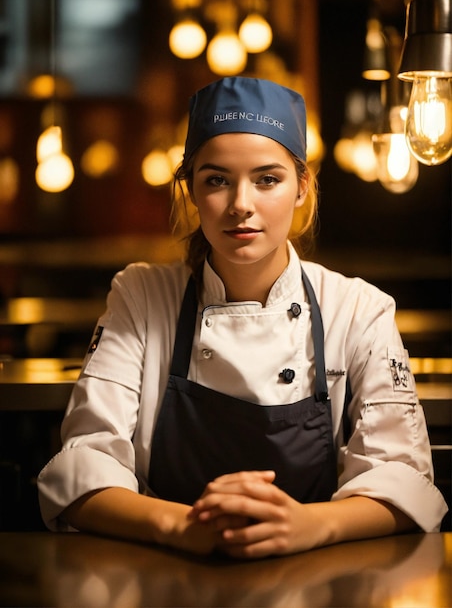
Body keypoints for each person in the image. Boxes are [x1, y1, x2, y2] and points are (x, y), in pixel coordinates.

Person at [38, 77, 447, 559]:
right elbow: (84, 464)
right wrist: (182, 526)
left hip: (319, 582)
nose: (241, 206)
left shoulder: (359, 309)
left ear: (302, 187)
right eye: (217, 180)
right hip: (166, 575)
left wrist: (308, 526)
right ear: (190, 189)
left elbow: (405, 479)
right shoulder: (142, 296)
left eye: (267, 179)